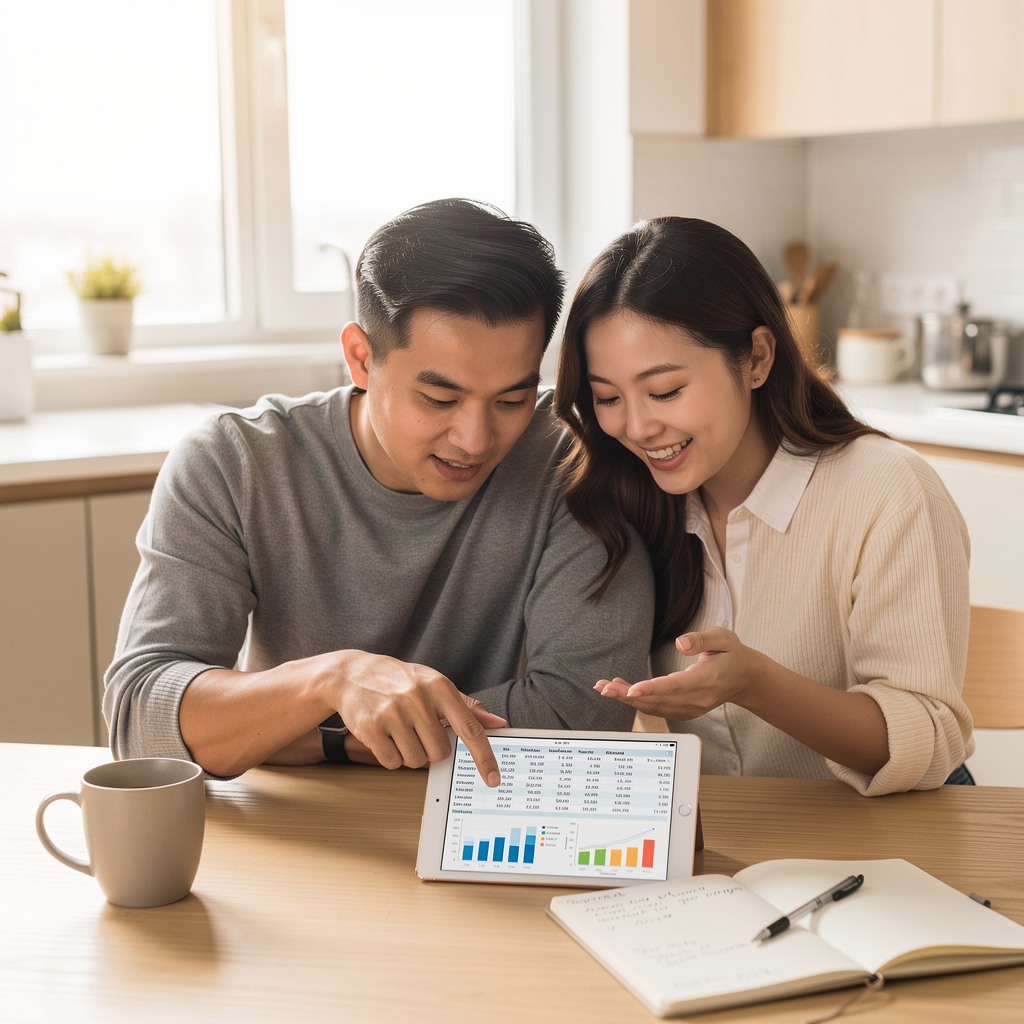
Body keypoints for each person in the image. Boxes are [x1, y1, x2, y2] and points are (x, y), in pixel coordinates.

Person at [104, 198, 654, 785]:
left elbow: (581, 715)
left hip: (488, 816)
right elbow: (140, 722)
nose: (475, 439)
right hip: (300, 825)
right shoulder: (232, 464)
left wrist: (314, 736)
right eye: (439, 400)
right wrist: (332, 679)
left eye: (512, 400)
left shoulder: (575, 462)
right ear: (361, 359)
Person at [553, 216, 974, 796]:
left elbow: (928, 738)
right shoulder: (622, 497)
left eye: (666, 391)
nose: (638, 426)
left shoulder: (887, 490)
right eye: (607, 397)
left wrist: (754, 683)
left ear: (755, 357)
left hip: (892, 841)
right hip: (737, 847)